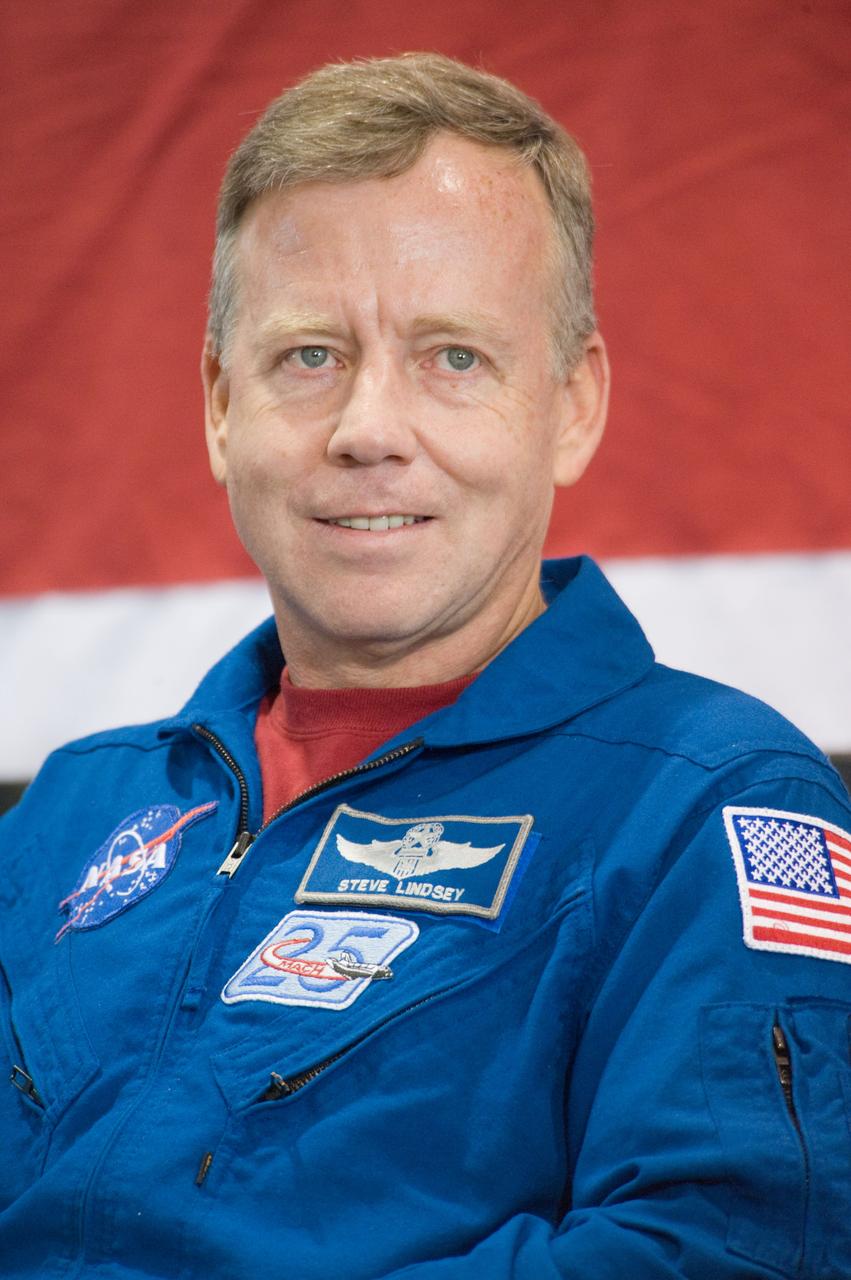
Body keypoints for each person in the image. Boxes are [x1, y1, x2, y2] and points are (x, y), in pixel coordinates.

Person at [2, 52, 850, 1280]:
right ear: (220, 406)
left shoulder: (708, 810)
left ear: (570, 404)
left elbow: (717, 1255)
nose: (367, 429)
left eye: (452, 356)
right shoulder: (70, 816)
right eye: (309, 355)